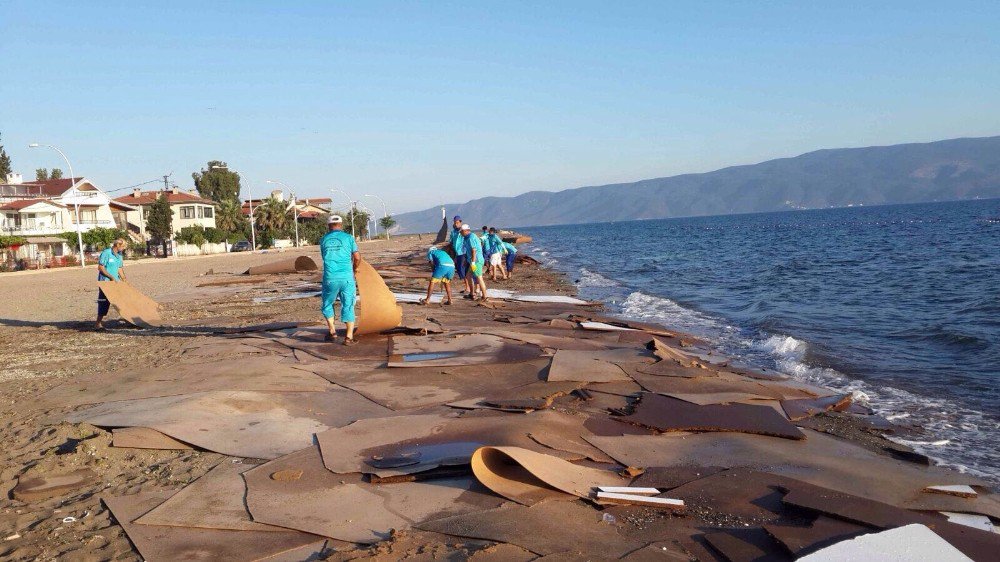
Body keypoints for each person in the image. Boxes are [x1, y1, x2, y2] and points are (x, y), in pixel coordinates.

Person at [319, 215, 361, 345]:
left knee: (327, 304)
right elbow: (357, 257)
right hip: (347, 278)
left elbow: (324, 256)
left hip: (330, 278)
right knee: (348, 305)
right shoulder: (349, 238)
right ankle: (349, 337)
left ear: (328, 225)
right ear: (341, 225)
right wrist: (354, 269)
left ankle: (332, 332)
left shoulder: (323, 240)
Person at [95, 238, 128, 330]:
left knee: (121, 301)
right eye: (123, 246)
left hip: (116, 283)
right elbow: (100, 267)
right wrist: (111, 277)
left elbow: (119, 268)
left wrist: (124, 279)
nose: (124, 248)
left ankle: (128, 319)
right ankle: (98, 323)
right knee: (104, 303)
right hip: (105, 282)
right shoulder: (106, 253)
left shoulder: (119, 256)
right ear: (118, 245)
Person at [461, 223, 489, 300]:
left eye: (462, 231)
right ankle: (472, 294)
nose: (461, 233)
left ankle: (485, 296)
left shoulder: (471, 237)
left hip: (476, 261)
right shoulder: (466, 238)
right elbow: (468, 250)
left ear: (466, 231)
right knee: (468, 276)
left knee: (479, 278)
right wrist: (466, 260)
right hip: (472, 260)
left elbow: (474, 250)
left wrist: (473, 262)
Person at [448, 215, 470, 295]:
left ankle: (468, 287)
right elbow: (451, 241)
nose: (456, 224)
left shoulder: (463, 231)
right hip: (457, 253)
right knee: (460, 270)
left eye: (457, 222)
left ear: (460, 222)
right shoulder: (453, 232)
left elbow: (468, 239)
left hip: (463, 252)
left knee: (463, 269)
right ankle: (467, 287)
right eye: (455, 223)